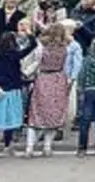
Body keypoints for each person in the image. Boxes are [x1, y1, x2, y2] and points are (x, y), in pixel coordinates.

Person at [25, 22, 72, 157]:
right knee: (53, 115)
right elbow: (67, 66)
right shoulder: (66, 48)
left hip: (43, 79)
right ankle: (47, 146)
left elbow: (35, 63)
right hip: (58, 79)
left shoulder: (41, 47)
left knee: (36, 114)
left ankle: (30, 148)